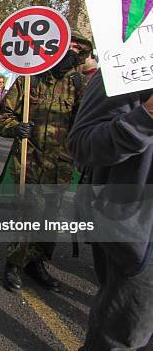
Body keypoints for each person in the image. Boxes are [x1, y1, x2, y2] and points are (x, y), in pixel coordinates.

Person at [0, 31, 92, 293]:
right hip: (29, 161)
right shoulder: (29, 80)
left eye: (78, 49)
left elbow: (87, 125)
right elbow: (3, 116)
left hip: (60, 165)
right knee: (27, 213)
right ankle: (14, 264)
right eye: (69, 45)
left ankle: (36, 263)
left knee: (50, 216)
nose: (73, 51)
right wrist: (16, 128)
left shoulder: (80, 84)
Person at [68, 75, 153, 351]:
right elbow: (83, 145)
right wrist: (146, 117)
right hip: (140, 240)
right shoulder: (125, 69)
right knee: (122, 338)